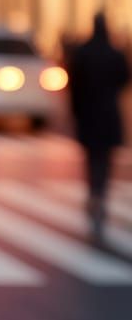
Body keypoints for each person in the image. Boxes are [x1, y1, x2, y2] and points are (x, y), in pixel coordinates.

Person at [66, 12, 131, 244]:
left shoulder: (83, 52)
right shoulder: (115, 53)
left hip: (88, 115)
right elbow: (124, 79)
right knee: (105, 159)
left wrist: (74, 112)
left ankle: (94, 195)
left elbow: (73, 85)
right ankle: (100, 196)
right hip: (109, 116)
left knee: (91, 159)